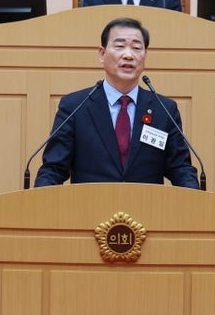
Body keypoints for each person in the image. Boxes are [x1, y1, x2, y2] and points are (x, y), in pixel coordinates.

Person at [34, 17, 198, 188]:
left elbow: (181, 168)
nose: (128, 55)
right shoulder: (75, 107)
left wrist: (195, 196)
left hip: (147, 204)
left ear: (145, 56)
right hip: (90, 203)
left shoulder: (164, 109)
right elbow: (53, 168)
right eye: (119, 46)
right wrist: (41, 198)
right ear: (102, 54)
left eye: (136, 48)